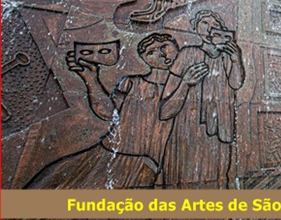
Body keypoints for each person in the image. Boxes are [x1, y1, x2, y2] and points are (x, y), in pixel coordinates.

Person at [25, 33, 179, 189]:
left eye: (164, 47)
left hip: (152, 164)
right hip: (113, 155)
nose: (161, 54)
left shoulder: (185, 86)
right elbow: (108, 113)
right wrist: (91, 79)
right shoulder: (132, 83)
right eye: (151, 52)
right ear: (144, 59)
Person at [160, 10, 245, 188]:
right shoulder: (187, 54)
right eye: (204, 23)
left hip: (219, 133)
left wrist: (236, 59)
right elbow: (165, 110)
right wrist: (185, 83)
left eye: (214, 25)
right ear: (195, 28)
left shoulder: (226, 57)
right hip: (188, 133)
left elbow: (236, 84)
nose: (209, 29)